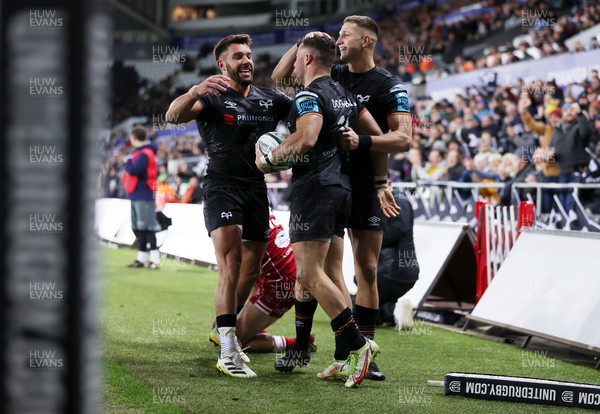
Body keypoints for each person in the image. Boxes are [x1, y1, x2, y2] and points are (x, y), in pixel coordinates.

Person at [271, 15, 412, 381]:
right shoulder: (332, 78)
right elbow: (279, 76)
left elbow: (401, 139)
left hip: (355, 186)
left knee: (363, 269)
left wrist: (378, 176)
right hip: (337, 183)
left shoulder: (387, 85)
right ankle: (312, 348)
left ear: (366, 41)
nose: (339, 39)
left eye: (345, 35)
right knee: (322, 272)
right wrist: (306, 41)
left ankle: (361, 350)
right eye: (336, 37)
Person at [165, 34, 293, 378]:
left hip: (256, 190)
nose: (247, 61)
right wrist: (194, 90)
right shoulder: (212, 97)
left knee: (251, 271)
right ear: (222, 65)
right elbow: (173, 115)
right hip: (222, 187)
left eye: (249, 55)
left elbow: (306, 114)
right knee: (231, 263)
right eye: (238, 57)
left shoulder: (270, 100)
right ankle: (227, 350)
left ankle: (227, 331)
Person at [209, 213, 317, 353]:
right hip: (281, 275)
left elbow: (249, 275)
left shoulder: (237, 215)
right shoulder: (253, 204)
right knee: (223, 327)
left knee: (228, 340)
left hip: (279, 283)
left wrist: (229, 317)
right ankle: (255, 327)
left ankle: (295, 343)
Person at [376, 192, 419, 328]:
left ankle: (395, 311)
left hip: (394, 269)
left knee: (363, 298)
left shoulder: (398, 200)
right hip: (402, 268)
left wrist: (371, 241)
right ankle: (392, 313)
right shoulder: (398, 201)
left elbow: (401, 228)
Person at [122, 126, 161, 269]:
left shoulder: (144, 153)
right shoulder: (143, 153)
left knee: (148, 227)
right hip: (137, 194)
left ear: (133, 138)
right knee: (140, 228)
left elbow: (135, 170)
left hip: (143, 194)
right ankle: (142, 259)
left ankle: (155, 260)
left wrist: (127, 162)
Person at [549, 102, 592, 211]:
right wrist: (548, 156)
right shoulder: (557, 131)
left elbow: (586, 133)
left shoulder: (579, 126)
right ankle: (563, 226)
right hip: (562, 171)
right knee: (561, 204)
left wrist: (580, 114)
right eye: (566, 110)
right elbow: (553, 150)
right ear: (562, 113)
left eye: (571, 110)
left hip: (576, 171)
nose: (569, 112)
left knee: (571, 204)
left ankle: (571, 226)